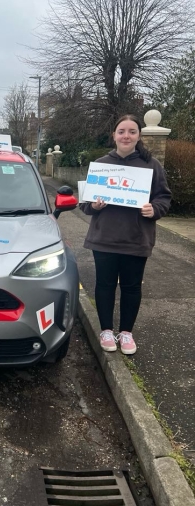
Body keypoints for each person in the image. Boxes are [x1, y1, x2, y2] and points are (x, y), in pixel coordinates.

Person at [80, 114, 171, 354]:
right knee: (105, 285)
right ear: (114, 135)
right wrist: (94, 206)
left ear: (138, 135)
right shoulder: (101, 164)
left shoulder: (151, 165)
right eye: (122, 131)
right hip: (104, 238)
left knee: (132, 287)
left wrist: (155, 209)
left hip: (136, 238)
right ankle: (107, 330)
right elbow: (85, 203)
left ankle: (127, 332)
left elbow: (164, 197)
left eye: (132, 131)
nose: (126, 136)